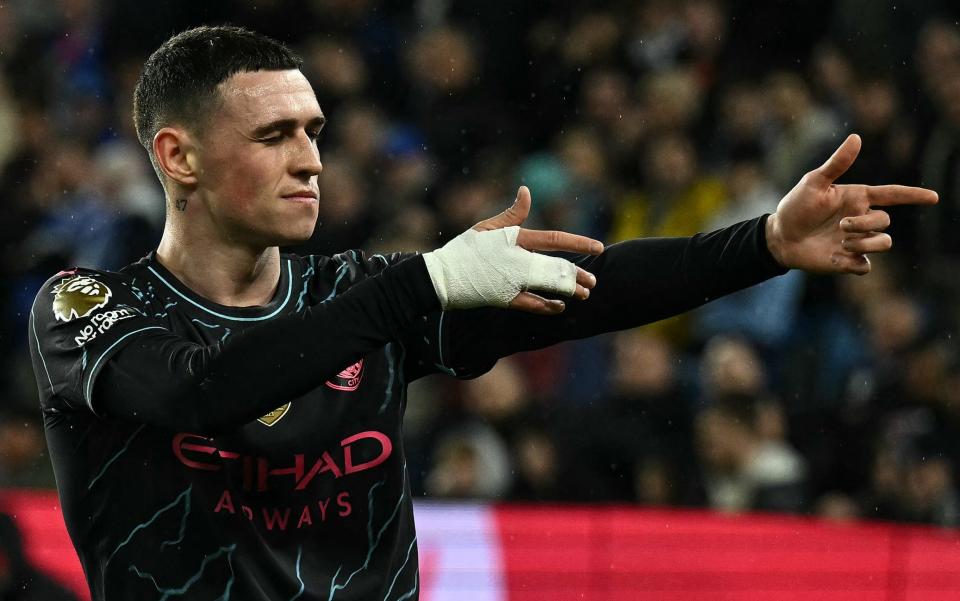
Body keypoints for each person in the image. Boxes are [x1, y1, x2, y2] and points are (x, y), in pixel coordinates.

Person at [26, 26, 937, 601]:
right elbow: (206, 391)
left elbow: (594, 291)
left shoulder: (361, 292)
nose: (310, 159)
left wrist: (763, 243)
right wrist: (417, 284)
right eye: (274, 135)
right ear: (177, 157)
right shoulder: (90, 310)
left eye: (314, 131)